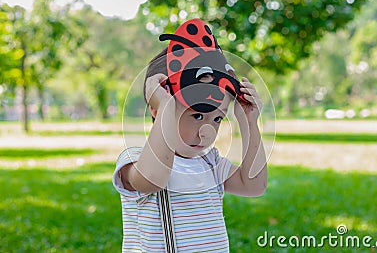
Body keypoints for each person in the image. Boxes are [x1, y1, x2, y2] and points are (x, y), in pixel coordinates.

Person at [112, 19, 267, 252]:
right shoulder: (135, 159)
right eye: (197, 116)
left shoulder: (210, 163)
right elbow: (153, 180)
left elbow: (253, 185)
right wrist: (166, 105)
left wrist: (249, 121)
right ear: (156, 107)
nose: (207, 131)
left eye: (217, 119)